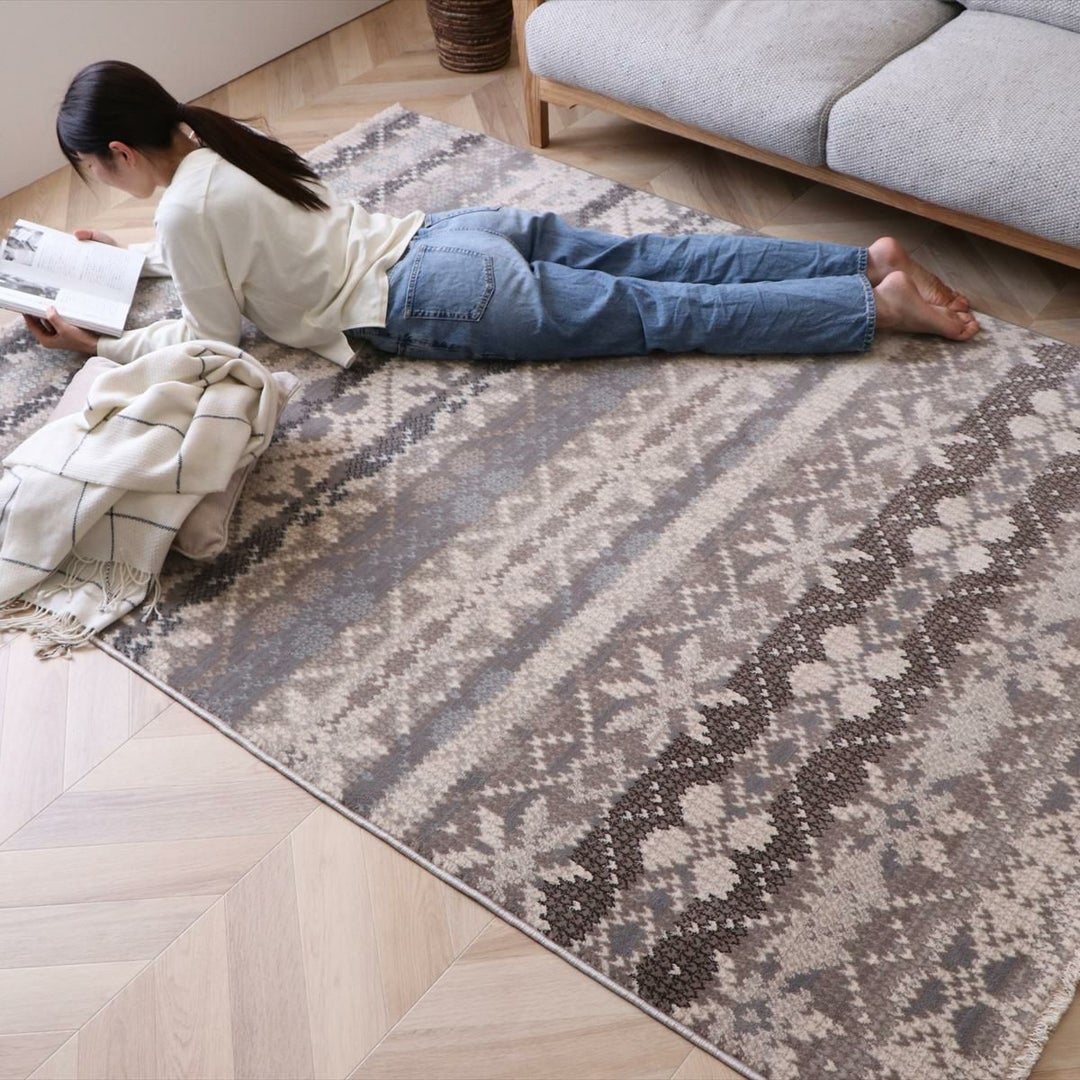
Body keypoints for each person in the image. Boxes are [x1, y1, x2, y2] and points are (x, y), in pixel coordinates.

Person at [24, 61, 979, 366]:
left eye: (91, 169)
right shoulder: (217, 140)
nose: (98, 182)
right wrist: (132, 259)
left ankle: (871, 308)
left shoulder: (187, 209)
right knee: (657, 261)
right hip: (450, 235)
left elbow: (212, 337)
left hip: (428, 295)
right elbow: (236, 239)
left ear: (119, 152)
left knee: (663, 316)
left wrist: (102, 345)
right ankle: (859, 262)